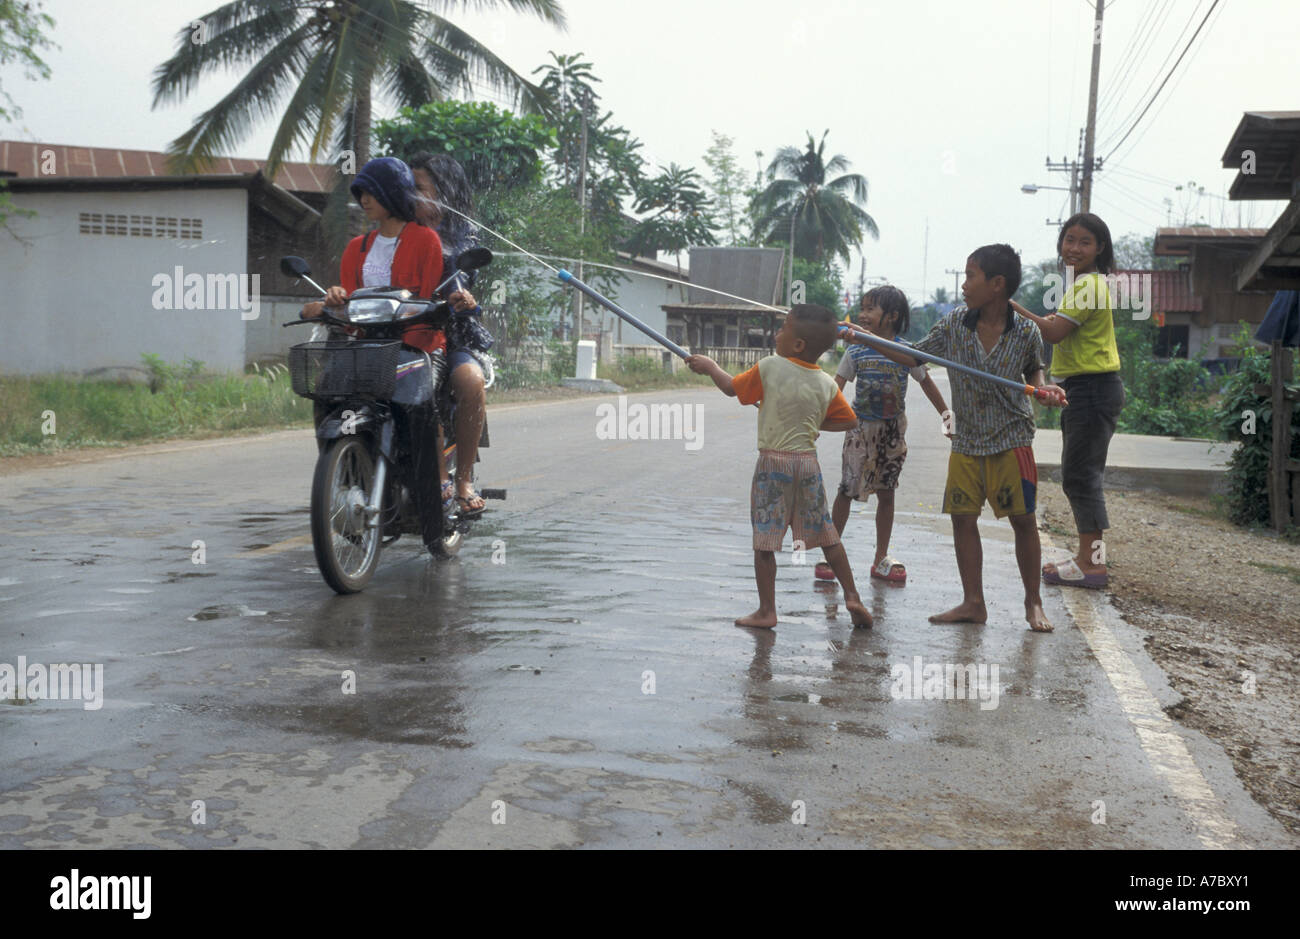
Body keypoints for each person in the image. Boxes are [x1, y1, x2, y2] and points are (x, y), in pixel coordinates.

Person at [844, 245, 1067, 632]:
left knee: (1023, 521)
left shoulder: (1027, 331)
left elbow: (1035, 373)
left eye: (970, 276)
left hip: (1012, 441)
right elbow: (912, 356)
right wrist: (865, 337)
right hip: (965, 441)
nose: (964, 285)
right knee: (963, 520)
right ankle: (973, 602)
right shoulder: (953, 325)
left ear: (996, 285)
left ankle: (1033, 603)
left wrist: (1044, 391)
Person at [301, 157, 472, 526]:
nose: (364, 199)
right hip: (367, 347)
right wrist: (334, 298)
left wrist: (449, 303)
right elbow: (350, 299)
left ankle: (438, 486)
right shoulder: (355, 248)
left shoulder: (426, 240)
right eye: (360, 192)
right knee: (325, 395)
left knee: (419, 408)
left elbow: (428, 299)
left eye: (371, 192)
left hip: (419, 344)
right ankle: (346, 473)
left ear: (393, 193)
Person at [687, 304, 872, 630]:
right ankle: (853, 595)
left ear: (798, 344)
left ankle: (767, 610)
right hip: (807, 465)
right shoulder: (827, 383)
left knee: (765, 540)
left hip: (773, 465)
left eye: (783, 328)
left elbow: (733, 389)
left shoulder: (771, 367)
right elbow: (848, 419)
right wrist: (811, 422)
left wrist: (711, 367)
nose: (777, 333)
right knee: (828, 535)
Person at [1010, 213, 1123, 590]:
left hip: (1094, 389)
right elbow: (1059, 325)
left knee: (1081, 476)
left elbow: (1055, 332)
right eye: (1069, 239)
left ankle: (1092, 564)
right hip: (1085, 389)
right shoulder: (1081, 284)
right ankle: (1087, 559)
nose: (1073, 248)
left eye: (1084, 242)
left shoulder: (1089, 285)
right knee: (1079, 474)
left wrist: (1014, 309)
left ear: (1099, 248)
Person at [813, 285, 951, 585]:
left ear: (892, 316)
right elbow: (837, 387)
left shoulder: (906, 353)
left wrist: (946, 414)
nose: (862, 315)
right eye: (862, 308)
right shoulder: (855, 349)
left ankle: (880, 558)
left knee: (886, 493)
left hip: (892, 432)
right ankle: (830, 554)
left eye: (870, 309)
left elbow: (926, 383)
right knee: (847, 490)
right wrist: (817, 421)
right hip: (859, 429)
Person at [408, 151, 491, 517]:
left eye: (419, 188)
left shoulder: (463, 231)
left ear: (443, 191)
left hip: (450, 333)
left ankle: (461, 479)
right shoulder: (398, 228)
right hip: (397, 330)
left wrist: (463, 296)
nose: (412, 195)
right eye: (408, 187)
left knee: (469, 380)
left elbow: (462, 273)